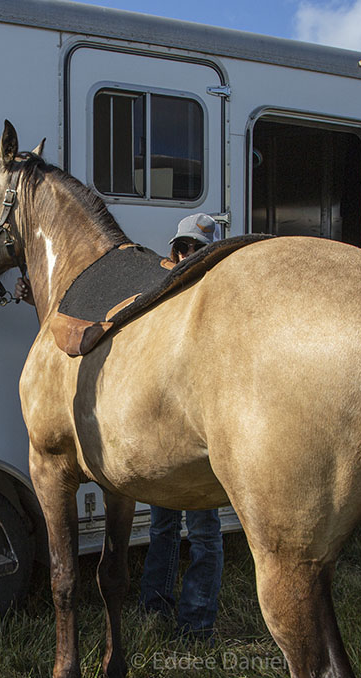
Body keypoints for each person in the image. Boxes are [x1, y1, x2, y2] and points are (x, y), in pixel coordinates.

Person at [138, 213, 224, 642]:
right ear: (176, 249)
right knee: (163, 527)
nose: (191, 255)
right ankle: (154, 606)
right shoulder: (163, 289)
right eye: (186, 247)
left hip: (200, 436)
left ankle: (197, 624)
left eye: (200, 249)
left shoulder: (221, 295)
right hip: (163, 433)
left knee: (205, 533)